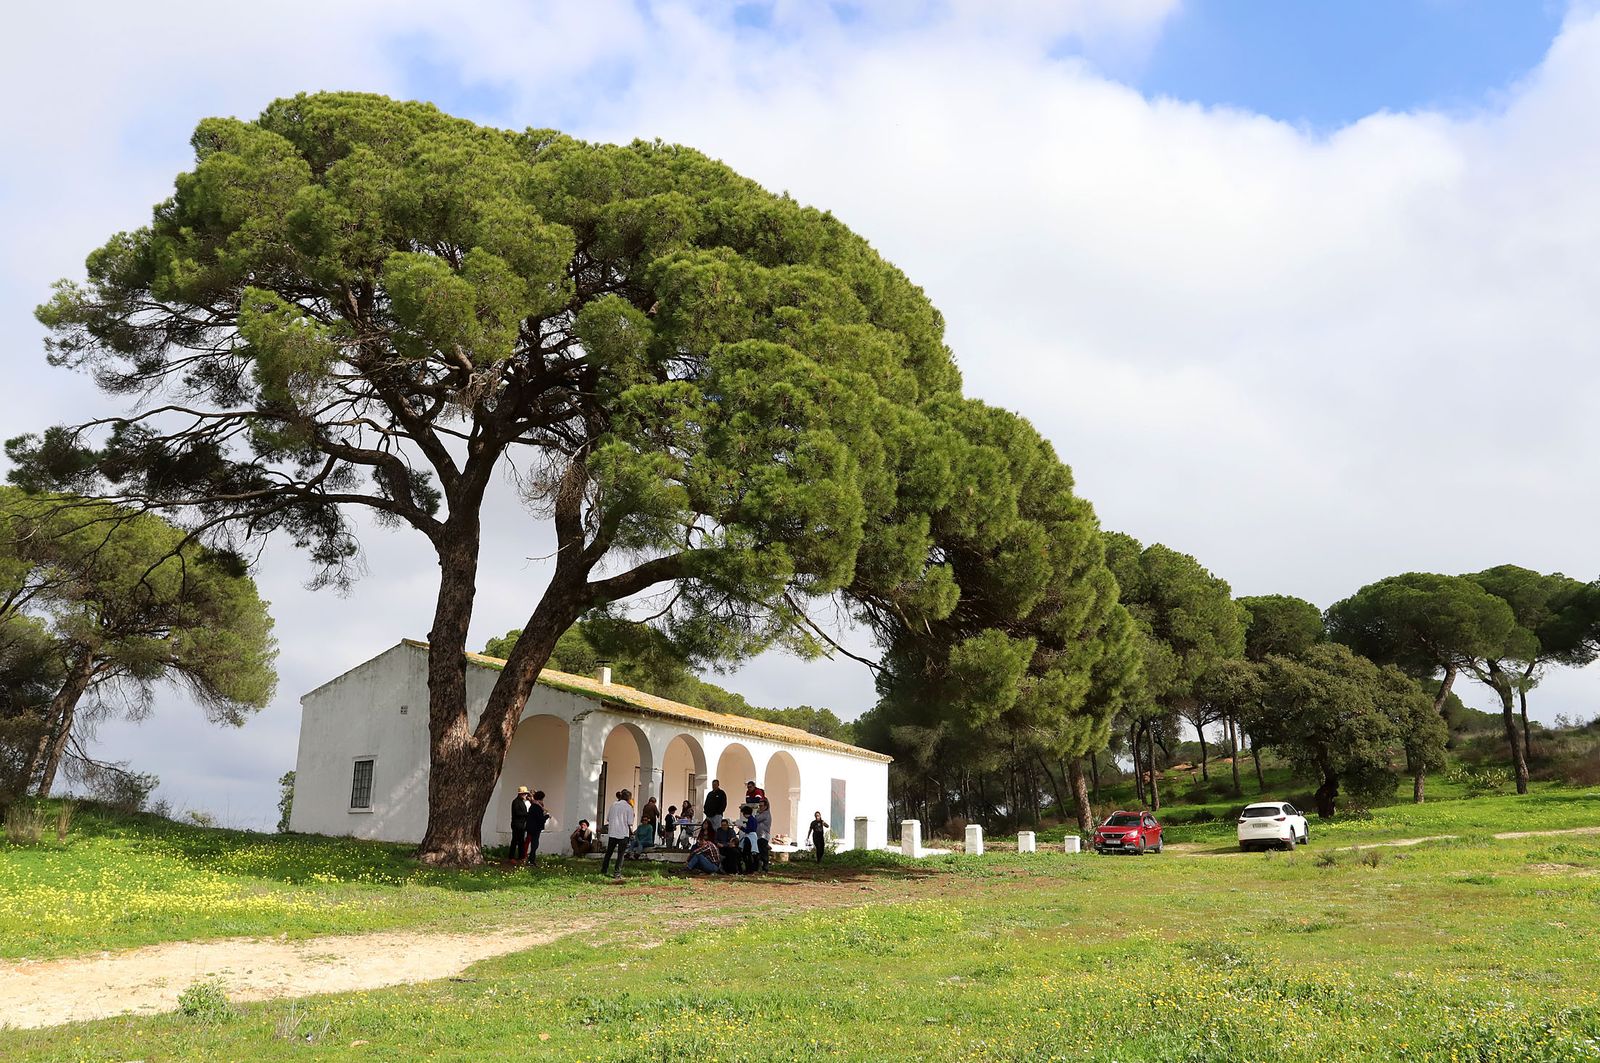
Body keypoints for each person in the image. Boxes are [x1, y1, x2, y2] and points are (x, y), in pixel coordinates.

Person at [602, 789, 634, 878]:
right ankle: (617, 873)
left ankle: (604, 869)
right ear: (629, 798)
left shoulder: (613, 805)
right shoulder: (629, 807)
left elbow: (608, 818)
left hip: (612, 832)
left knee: (609, 852)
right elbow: (630, 822)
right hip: (623, 833)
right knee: (620, 854)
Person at [510, 786, 534, 863]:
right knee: (515, 841)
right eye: (525, 794)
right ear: (521, 794)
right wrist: (527, 814)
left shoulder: (521, 802)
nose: (526, 796)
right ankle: (511, 857)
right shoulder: (516, 802)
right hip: (517, 824)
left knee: (521, 841)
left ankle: (521, 857)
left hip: (521, 824)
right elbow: (517, 813)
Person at [526, 790, 549, 868]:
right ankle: (531, 861)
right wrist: (547, 816)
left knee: (534, 845)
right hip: (535, 828)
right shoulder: (536, 807)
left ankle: (531, 860)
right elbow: (540, 819)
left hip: (532, 828)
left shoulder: (534, 806)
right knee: (534, 845)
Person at [754, 798, 773, 872]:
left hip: (763, 836)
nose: (760, 807)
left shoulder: (765, 814)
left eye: (761, 806)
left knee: (763, 852)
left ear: (766, 806)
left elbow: (756, 819)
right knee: (759, 852)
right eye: (759, 806)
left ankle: (765, 868)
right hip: (759, 836)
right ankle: (760, 867)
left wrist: (757, 812)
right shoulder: (762, 813)